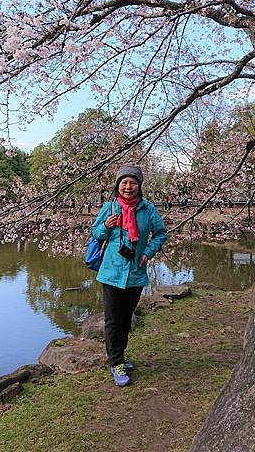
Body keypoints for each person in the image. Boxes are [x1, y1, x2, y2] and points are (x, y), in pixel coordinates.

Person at [91, 162, 167, 387]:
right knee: (113, 321)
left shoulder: (148, 209)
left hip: (135, 272)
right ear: (118, 185)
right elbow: (95, 233)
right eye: (124, 182)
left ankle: (119, 356)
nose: (128, 186)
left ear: (139, 186)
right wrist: (105, 225)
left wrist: (148, 252)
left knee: (126, 319)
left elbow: (161, 233)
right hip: (111, 272)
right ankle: (116, 362)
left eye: (132, 182)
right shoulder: (110, 208)